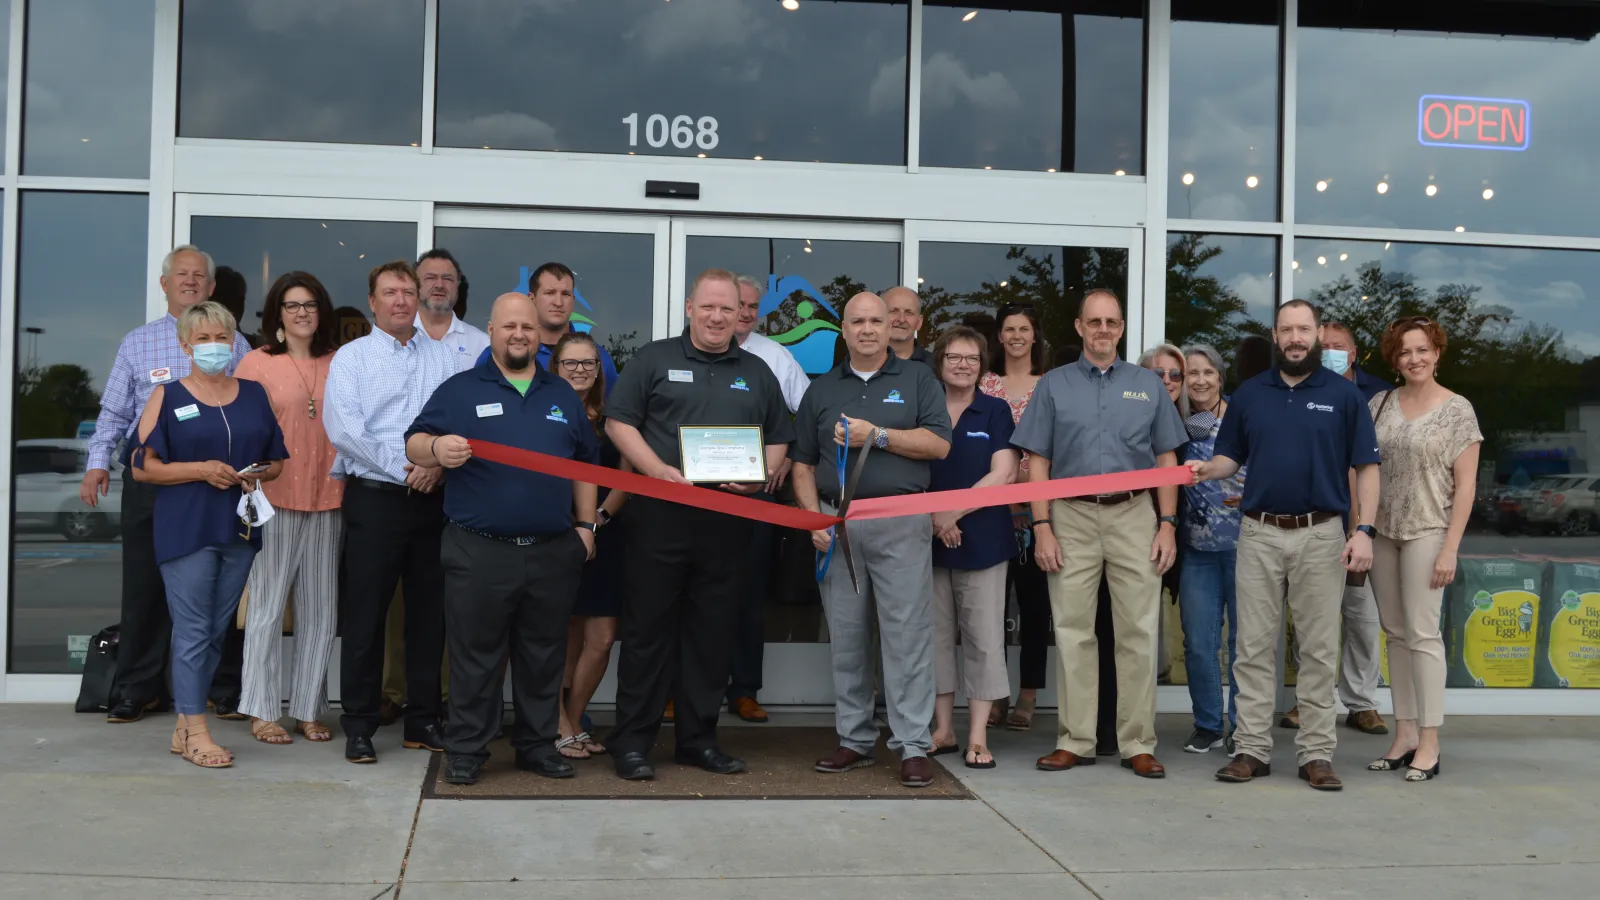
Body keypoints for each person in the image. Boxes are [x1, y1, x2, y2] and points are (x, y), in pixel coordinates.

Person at [603, 269, 793, 781]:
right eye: (708, 308)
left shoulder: (756, 372)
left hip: (728, 526)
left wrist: (761, 476)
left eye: (727, 310)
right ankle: (633, 743)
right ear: (690, 308)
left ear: (740, 315)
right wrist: (655, 470)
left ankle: (697, 740)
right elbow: (618, 422)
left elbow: (779, 435)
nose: (716, 317)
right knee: (647, 634)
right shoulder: (654, 359)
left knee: (711, 637)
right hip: (658, 521)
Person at [405, 292, 601, 785]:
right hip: (478, 550)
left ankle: (537, 746)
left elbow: (583, 465)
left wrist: (586, 527)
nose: (519, 334)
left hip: (552, 550)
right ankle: (468, 748)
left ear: (540, 335)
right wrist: (435, 447)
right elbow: (412, 443)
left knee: (543, 655)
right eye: (509, 326)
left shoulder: (561, 395)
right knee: (475, 656)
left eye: (528, 328)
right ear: (490, 331)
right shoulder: (460, 389)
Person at [1191, 299, 1380, 792]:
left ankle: (1316, 754)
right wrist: (1207, 470)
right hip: (1258, 532)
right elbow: (1230, 458)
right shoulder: (1251, 395)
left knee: (1318, 650)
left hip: (1322, 533)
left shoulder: (1344, 396)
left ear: (1317, 334)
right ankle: (1250, 749)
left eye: (1304, 329)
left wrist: (1365, 531)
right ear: (1275, 337)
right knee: (1251, 648)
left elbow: (1367, 468)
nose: (1295, 338)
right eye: (1286, 330)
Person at [1011, 289, 1184, 779]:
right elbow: (1037, 461)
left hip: (1134, 516)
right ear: (1080, 328)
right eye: (1095, 322)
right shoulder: (1054, 385)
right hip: (1070, 516)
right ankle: (1075, 740)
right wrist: (1041, 526)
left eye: (1112, 322)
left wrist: (1167, 524)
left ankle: (1137, 744)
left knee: (1138, 631)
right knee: (1071, 630)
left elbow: (1166, 459)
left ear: (1121, 328)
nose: (1103, 329)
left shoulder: (1147, 386)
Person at [79, 245, 252, 725]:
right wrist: (97, 463)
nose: (191, 282)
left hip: (218, 484)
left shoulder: (235, 344)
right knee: (145, 588)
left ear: (211, 287)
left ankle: (223, 689)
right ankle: (138, 688)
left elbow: (257, 408)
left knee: (220, 590)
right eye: (182, 275)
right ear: (165, 284)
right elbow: (114, 412)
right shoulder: (138, 342)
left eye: (200, 276)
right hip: (152, 479)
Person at [793, 291, 952, 789]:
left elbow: (939, 443)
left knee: (907, 636)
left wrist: (878, 435)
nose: (866, 329)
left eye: (876, 321)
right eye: (857, 321)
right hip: (836, 524)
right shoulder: (821, 388)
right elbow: (801, 463)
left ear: (892, 329)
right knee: (847, 638)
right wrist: (811, 519)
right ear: (843, 330)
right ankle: (855, 739)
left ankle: (911, 744)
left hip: (901, 521)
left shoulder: (918, 378)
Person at [131, 301, 288, 767]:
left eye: (222, 337)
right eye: (203, 339)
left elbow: (277, 459)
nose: (214, 346)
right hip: (187, 527)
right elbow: (143, 466)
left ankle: (185, 724)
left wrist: (259, 472)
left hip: (238, 524)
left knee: (216, 628)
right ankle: (198, 730)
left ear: (234, 342)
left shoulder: (255, 394)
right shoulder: (168, 396)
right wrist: (200, 469)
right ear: (185, 346)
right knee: (195, 627)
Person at [323, 261, 458, 765]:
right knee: (365, 615)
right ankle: (358, 723)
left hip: (433, 501)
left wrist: (437, 469)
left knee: (429, 615)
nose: (401, 300)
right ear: (373, 301)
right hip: (376, 500)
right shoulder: (351, 359)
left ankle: (423, 721)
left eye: (408, 291)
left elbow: (457, 423)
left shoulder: (443, 359)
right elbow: (345, 430)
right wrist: (407, 467)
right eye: (390, 293)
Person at [1366, 317, 1481, 782]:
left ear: (1437, 353)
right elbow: (1363, 468)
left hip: (1429, 529)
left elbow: (1468, 484)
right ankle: (1405, 733)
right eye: (1404, 352)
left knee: (1423, 634)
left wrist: (1450, 548)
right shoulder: (1379, 404)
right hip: (1383, 530)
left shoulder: (1458, 410)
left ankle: (1430, 741)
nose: (1413, 359)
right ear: (1395, 361)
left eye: (1421, 350)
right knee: (1394, 634)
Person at [235, 272, 344, 745]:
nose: (302, 312)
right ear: (276, 313)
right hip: (274, 499)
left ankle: (307, 708)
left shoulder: (340, 361)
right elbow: (239, 429)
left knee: (320, 611)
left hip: (331, 498)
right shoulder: (256, 363)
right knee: (266, 607)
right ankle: (261, 708)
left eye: (311, 304)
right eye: (292, 304)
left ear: (322, 312)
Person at [1274, 321, 1391, 736]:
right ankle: (1308, 707)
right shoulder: (1302, 389)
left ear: (1354, 352)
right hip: (1317, 521)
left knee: (1361, 617)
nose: (1331, 354)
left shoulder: (1378, 395)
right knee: (1314, 623)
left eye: (1339, 347)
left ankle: (1362, 702)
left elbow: (1368, 466)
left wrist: (1364, 527)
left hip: (1361, 524)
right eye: (1325, 348)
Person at [721, 274, 810, 724]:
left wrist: (788, 460)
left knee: (750, 592)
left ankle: (744, 689)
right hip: (696, 493)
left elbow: (809, 416)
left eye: (754, 306)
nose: (746, 313)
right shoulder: (685, 355)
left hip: (758, 494)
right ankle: (681, 687)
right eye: (740, 304)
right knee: (690, 591)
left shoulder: (776, 357)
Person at [927, 326, 1017, 769]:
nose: (963, 365)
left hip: (982, 539)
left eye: (972, 359)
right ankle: (943, 730)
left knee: (983, 638)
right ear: (940, 361)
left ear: (982, 366)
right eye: (954, 357)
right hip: (926, 540)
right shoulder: (924, 408)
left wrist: (953, 514)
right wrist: (935, 520)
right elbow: (909, 472)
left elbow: (1004, 473)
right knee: (936, 638)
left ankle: (978, 735)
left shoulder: (995, 411)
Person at [551, 332, 630, 758]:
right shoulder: (543, 412)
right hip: (551, 534)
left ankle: (575, 718)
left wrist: (599, 519)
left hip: (605, 531)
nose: (580, 370)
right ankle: (558, 723)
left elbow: (627, 474)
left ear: (600, 370)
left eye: (589, 363)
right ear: (556, 367)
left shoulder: (613, 417)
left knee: (600, 637)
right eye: (571, 363)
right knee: (559, 634)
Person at [979, 303, 1047, 732]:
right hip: (990, 513)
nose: (1017, 335)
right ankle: (996, 694)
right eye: (1010, 329)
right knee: (990, 611)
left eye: (1025, 328)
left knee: (1037, 609)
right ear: (999, 337)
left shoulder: (1052, 384)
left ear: (1034, 336)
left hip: (1039, 515)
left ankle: (1028, 695)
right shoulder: (985, 383)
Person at [1175, 344, 1245, 754]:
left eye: (1208, 373)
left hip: (1246, 548)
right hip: (1197, 550)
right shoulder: (1178, 423)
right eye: (1192, 374)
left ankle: (1242, 726)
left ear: (1221, 377)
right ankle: (1207, 724)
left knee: (1244, 643)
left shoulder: (1243, 417)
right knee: (1199, 643)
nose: (1200, 381)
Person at [473, 262, 620, 393]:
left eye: (566, 294)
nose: (558, 302)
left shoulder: (596, 358)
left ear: (573, 300)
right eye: (550, 293)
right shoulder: (497, 355)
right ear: (532, 299)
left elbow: (610, 417)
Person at [1139, 342, 1188, 686]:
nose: (1167, 381)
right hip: (1137, 528)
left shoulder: (1196, 426)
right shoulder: (1127, 424)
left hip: (1186, 537)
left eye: (1175, 374)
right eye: (1158, 374)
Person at [416, 249, 489, 371]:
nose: (439, 285)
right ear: (415, 283)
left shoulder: (481, 344)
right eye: (430, 278)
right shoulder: (397, 339)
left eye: (447, 279)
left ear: (457, 285)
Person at [882, 286, 933, 366]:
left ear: (919, 322)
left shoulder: (936, 367)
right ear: (878, 317)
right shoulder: (861, 362)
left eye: (909, 313)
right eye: (893, 311)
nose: (901, 319)